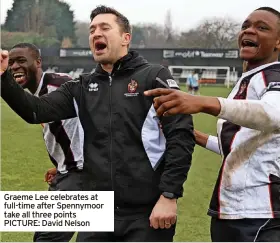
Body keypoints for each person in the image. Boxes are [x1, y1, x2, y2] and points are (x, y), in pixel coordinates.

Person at [0, 5, 195, 242]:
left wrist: (169, 195)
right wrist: (3, 77)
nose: (96, 33)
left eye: (105, 27)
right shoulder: (81, 86)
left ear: (126, 38)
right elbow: (35, 111)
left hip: (144, 213)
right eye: (92, 30)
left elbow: (181, 136)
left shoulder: (154, 76)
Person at [144, 7, 280, 242]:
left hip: (261, 212)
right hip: (232, 209)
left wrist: (202, 102)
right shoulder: (249, 80)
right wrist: (195, 135)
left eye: (262, 27)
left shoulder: (275, 76)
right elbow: (241, 146)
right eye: (246, 26)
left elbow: (273, 113)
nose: (249, 30)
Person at [6, 42, 85, 242]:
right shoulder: (37, 93)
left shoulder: (61, 86)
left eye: (21, 60)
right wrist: (60, 165)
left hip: (81, 176)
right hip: (66, 173)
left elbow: (95, 123)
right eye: (11, 62)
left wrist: (79, 163)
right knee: (42, 236)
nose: (15, 66)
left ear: (38, 62)